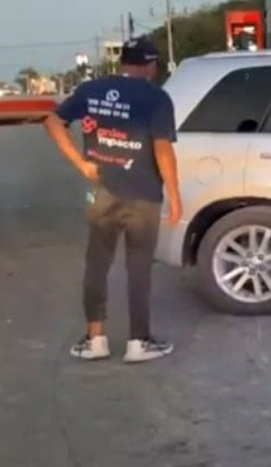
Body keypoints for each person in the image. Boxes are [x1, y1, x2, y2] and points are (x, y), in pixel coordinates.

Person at [43, 36, 182, 363]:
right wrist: (175, 196)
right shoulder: (156, 97)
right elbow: (162, 149)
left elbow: (52, 122)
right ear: (150, 65)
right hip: (144, 194)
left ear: (123, 62)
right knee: (139, 267)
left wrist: (81, 164)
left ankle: (95, 340)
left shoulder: (91, 90)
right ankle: (139, 342)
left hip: (101, 190)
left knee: (97, 263)